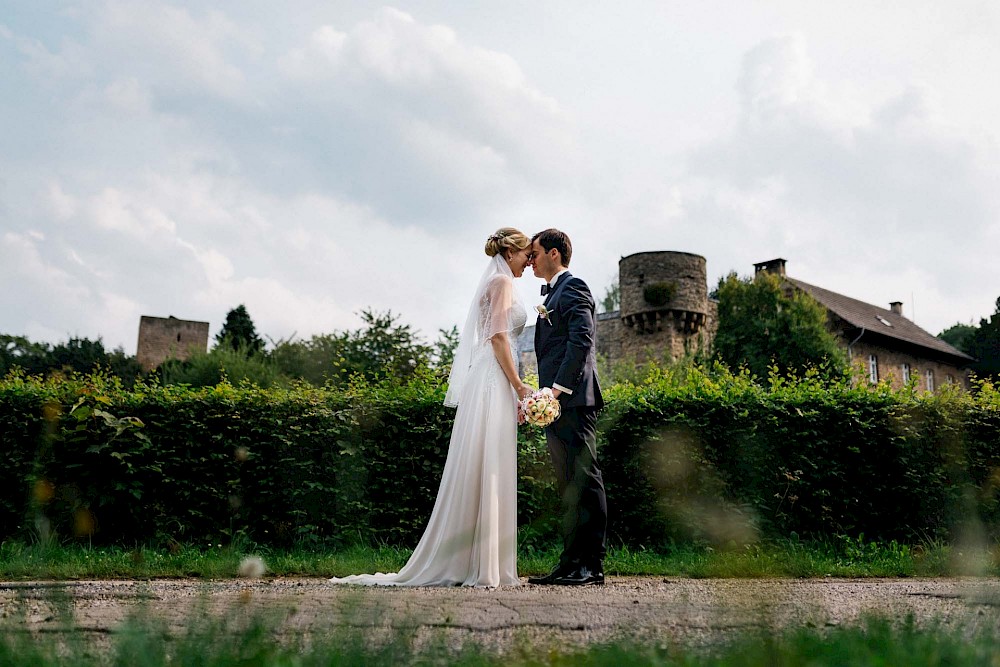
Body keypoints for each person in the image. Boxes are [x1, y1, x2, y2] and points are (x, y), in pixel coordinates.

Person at [329, 228, 533, 587]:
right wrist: (519, 386)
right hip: (495, 377)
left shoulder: (498, 282)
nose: (529, 262)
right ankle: (483, 565)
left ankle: (480, 561)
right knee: (489, 461)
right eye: (526, 255)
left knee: (486, 461)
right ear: (511, 252)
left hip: (490, 372)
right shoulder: (501, 283)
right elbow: (499, 336)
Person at [526, 228, 607, 586]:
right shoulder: (553, 292)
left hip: (573, 400)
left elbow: (581, 341)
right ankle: (570, 562)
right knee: (567, 485)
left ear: (554, 254)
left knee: (585, 481)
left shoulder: (574, 287)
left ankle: (591, 565)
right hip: (556, 403)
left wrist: (555, 392)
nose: (530, 260)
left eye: (535, 253)